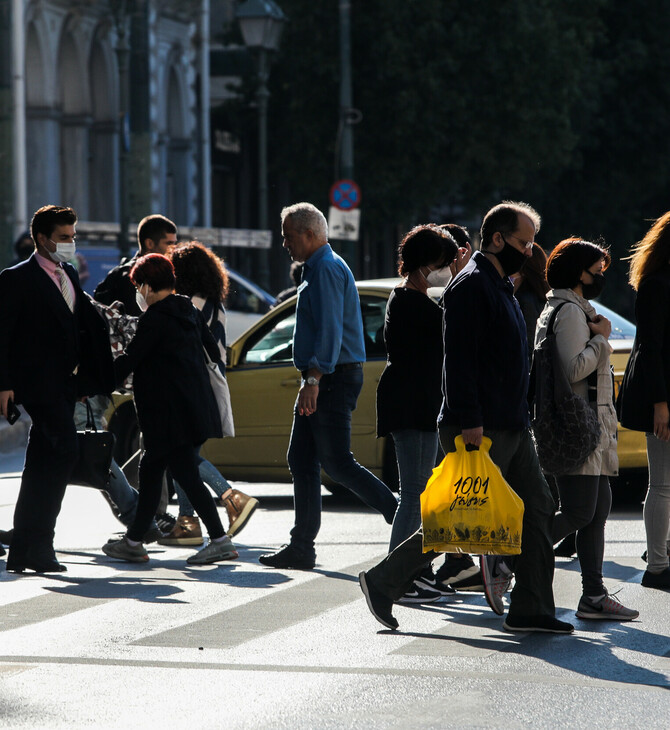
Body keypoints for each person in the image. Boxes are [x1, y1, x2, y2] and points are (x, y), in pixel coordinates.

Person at [359, 201, 574, 634]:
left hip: (510, 422)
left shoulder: (499, 285)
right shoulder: (471, 286)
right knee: (458, 520)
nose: (531, 250)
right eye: (523, 241)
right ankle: (382, 582)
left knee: (538, 507)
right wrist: (470, 418)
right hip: (481, 425)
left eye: (532, 241)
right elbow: (459, 361)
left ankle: (532, 607)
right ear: (496, 238)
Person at [259, 202, 398, 570]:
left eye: (289, 237)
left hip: (330, 379)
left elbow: (330, 330)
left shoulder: (325, 269)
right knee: (302, 460)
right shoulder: (319, 267)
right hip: (325, 378)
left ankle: (402, 519)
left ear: (309, 234)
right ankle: (301, 546)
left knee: (337, 463)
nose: (285, 244)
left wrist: (314, 378)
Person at [0, 205, 114, 573]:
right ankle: (42, 544)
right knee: (64, 452)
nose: (70, 244)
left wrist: (84, 380)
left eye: (73, 236)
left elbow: (76, 326)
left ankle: (23, 549)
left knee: (41, 461)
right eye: (64, 237)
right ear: (42, 239)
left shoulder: (67, 272)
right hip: (36, 384)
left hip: (66, 384)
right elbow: (2, 337)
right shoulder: (16, 278)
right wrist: (4, 387)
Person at [102, 254, 237, 565]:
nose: (138, 293)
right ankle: (134, 541)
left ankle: (219, 540)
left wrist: (92, 381)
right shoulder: (187, 309)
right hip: (191, 409)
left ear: (147, 287)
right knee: (151, 472)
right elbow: (208, 347)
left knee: (185, 475)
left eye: (138, 286)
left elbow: (130, 360)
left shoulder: (156, 318)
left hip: (168, 415)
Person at [535, 238, 638, 620]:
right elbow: (573, 369)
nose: (600, 276)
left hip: (587, 426)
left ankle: (593, 596)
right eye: (596, 270)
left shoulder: (571, 308)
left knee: (597, 510)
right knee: (579, 512)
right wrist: (602, 340)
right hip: (576, 428)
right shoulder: (569, 313)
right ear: (578, 271)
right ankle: (513, 556)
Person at [376, 223, 475, 603]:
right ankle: (399, 575)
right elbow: (453, 326)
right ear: (423, 265)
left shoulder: (417, 298)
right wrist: (461, 279)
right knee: (415, 494)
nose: (448, 271)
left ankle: (414, 571)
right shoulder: (409, 301)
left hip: (420, 404)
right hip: (411, 406)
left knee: (424, 494)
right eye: (443, 263)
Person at [158, 241, 259, 544]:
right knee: (185, 456)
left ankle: (232, 497)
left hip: (188, 386)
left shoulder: (188, 304)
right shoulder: (215, 303)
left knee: (182, 458)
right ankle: (187, 523)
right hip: (205, 386)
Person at [617, 212, 670, 590]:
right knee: (662, 483)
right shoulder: (657, 284)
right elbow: (651, 348)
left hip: (664, 394)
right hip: (663, 397)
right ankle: (657, 565)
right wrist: (661, 403)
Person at [94, 214, 178, 316]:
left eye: (175, 243)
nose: (174, 249)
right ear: (149, 244)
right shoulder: (130, 278)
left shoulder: (165, 272)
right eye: (169, 243)